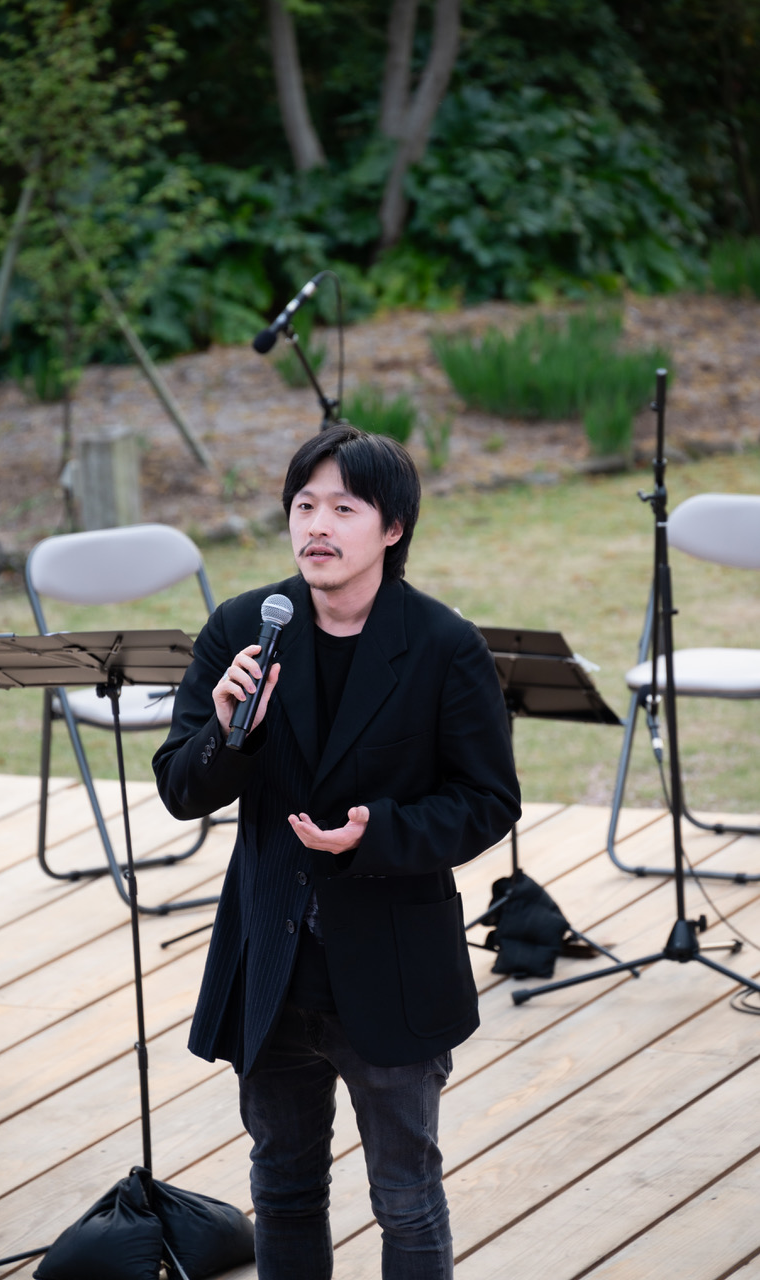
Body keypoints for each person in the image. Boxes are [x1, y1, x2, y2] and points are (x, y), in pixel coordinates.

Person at [153, 423, 520, 1279]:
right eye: (304, 506)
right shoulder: (245, 627)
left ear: (392, 528)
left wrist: (375, 834)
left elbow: (487, 801)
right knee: (282, 1188)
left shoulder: (443, 646)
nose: (317, 525)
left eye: (344, 509)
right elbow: (180, 787)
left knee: (406, 1196)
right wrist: (229, 732)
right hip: (270, 965)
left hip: (391, 964)